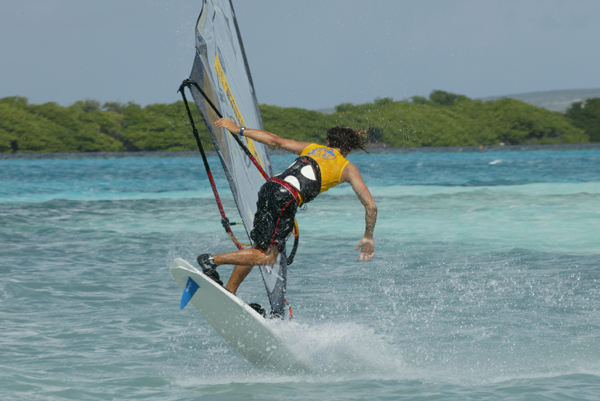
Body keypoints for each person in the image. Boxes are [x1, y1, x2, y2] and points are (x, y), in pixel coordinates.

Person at [197, 118, 378, 295]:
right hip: (286, 198)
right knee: (268, 257)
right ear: (349, 150)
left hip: (270, 187)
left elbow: (274, 140)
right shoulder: (348, 168)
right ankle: (211, 260)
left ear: (329, 142)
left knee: (258, 247)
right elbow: (371, 207)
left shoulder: (312, 148)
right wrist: (368, 236)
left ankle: (230, 289)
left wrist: (239, 130)